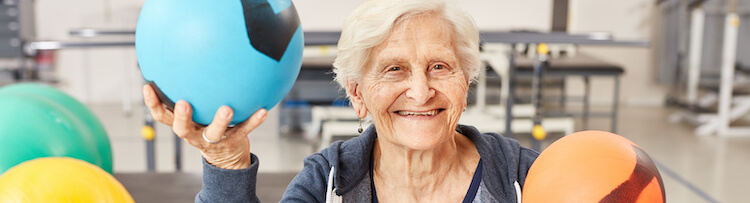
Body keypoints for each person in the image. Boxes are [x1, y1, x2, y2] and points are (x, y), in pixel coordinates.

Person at [142, 0, 538, 202]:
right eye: (394, 70)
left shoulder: (525, 178)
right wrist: (226, 162)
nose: (420, 91)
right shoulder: (326, 183)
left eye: (439, 66)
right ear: (356, 94)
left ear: (465, 81)